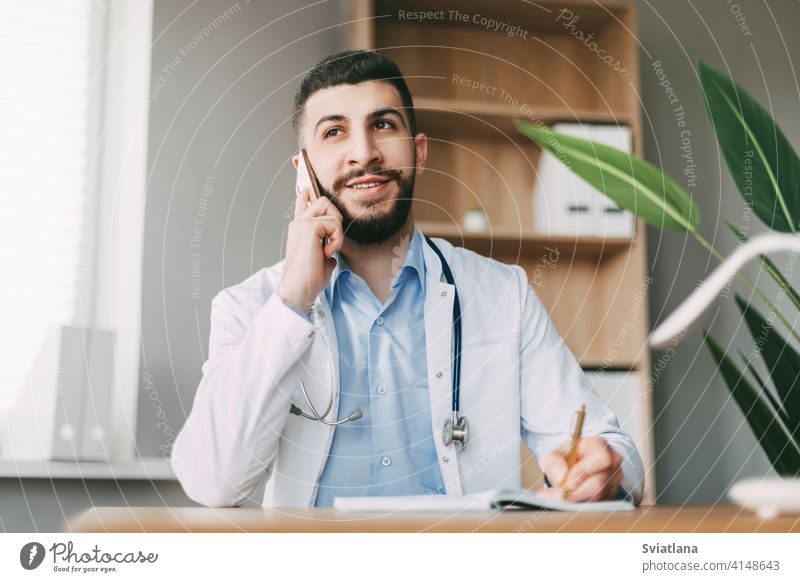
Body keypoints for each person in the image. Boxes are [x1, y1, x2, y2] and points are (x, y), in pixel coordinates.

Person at [171, 50, 645, 508]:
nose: (364, 153)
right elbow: (213, 481)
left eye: (382, 125)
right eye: (334, 132)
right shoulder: (248, 307)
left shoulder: (502, 294)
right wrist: (293, 300)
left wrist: (603, 467)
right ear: (305, 172)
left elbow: (612, 446)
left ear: (418, 152)